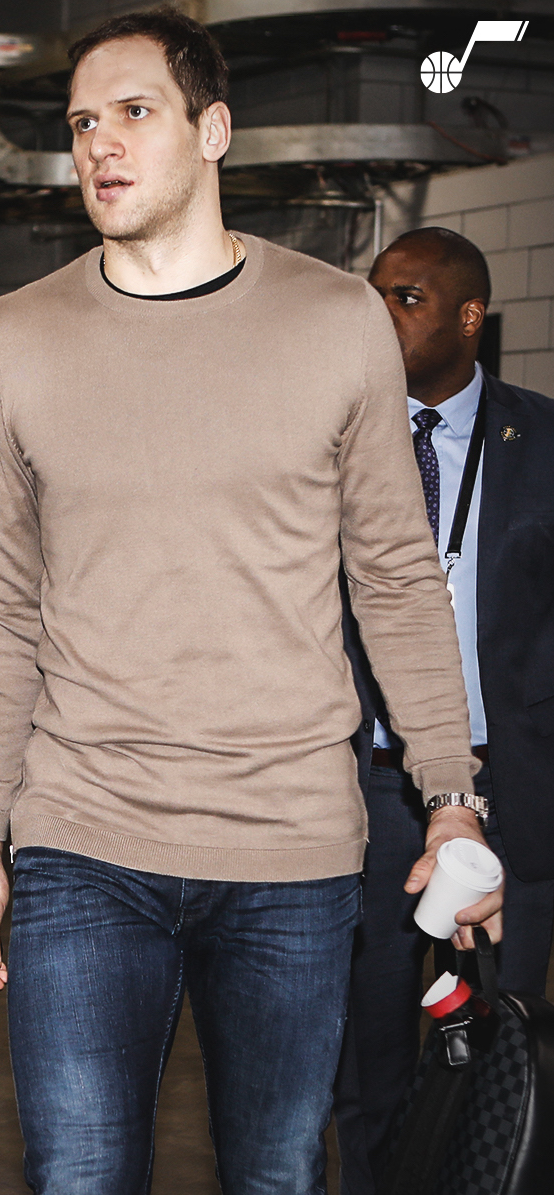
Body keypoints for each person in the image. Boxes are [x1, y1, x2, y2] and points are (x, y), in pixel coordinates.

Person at [0, 10, 501, 1193]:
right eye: (83, 121)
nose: (100, 143)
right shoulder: (15, 335)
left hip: (288, 846)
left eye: (134, 112)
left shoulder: (333, 319)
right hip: (80, 835)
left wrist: (449, 798)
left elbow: (393, 573)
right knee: (77, 1173)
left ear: (213, 130)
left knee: (276, 1174)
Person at [334, 227, 554, 1195]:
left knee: (501, 1037)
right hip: (371, 788)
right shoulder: (336, 441)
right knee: (366, 1045)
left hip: (508, 783)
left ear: (470, 317)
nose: (383, 315)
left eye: (407, 298)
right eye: (374, 294)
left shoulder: (541, 440)